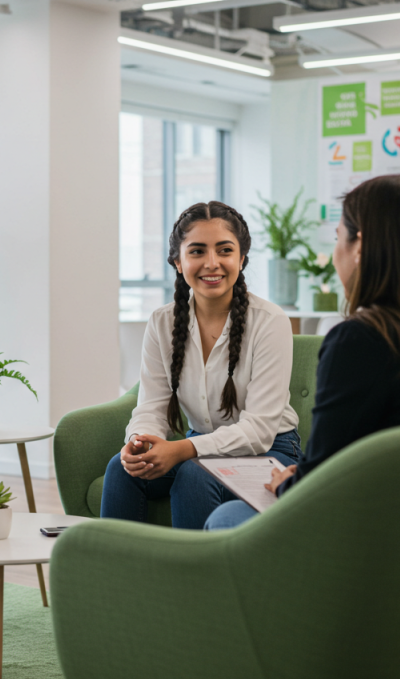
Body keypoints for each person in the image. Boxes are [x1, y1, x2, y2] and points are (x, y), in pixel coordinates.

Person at [205, 174, 400, 530]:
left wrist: (287, 482)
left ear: (359, 246)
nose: (334, 256)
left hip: (378, 539)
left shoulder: (360, 341)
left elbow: (319, 489)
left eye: (337, 239)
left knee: (227, 518)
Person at [99, 201, 301, 530]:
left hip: (270, 451)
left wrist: (184, 449)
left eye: (224, 250)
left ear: (242, 259)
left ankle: (194, 581)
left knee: (196, 471)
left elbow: (259, 431)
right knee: (122, 468)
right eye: (197, 251)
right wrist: (139, 442)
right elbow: (151, 405)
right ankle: (117, 578)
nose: (212, 263)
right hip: (197, 444)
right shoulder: (162, 322)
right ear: (178, 262)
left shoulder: (270, 321)